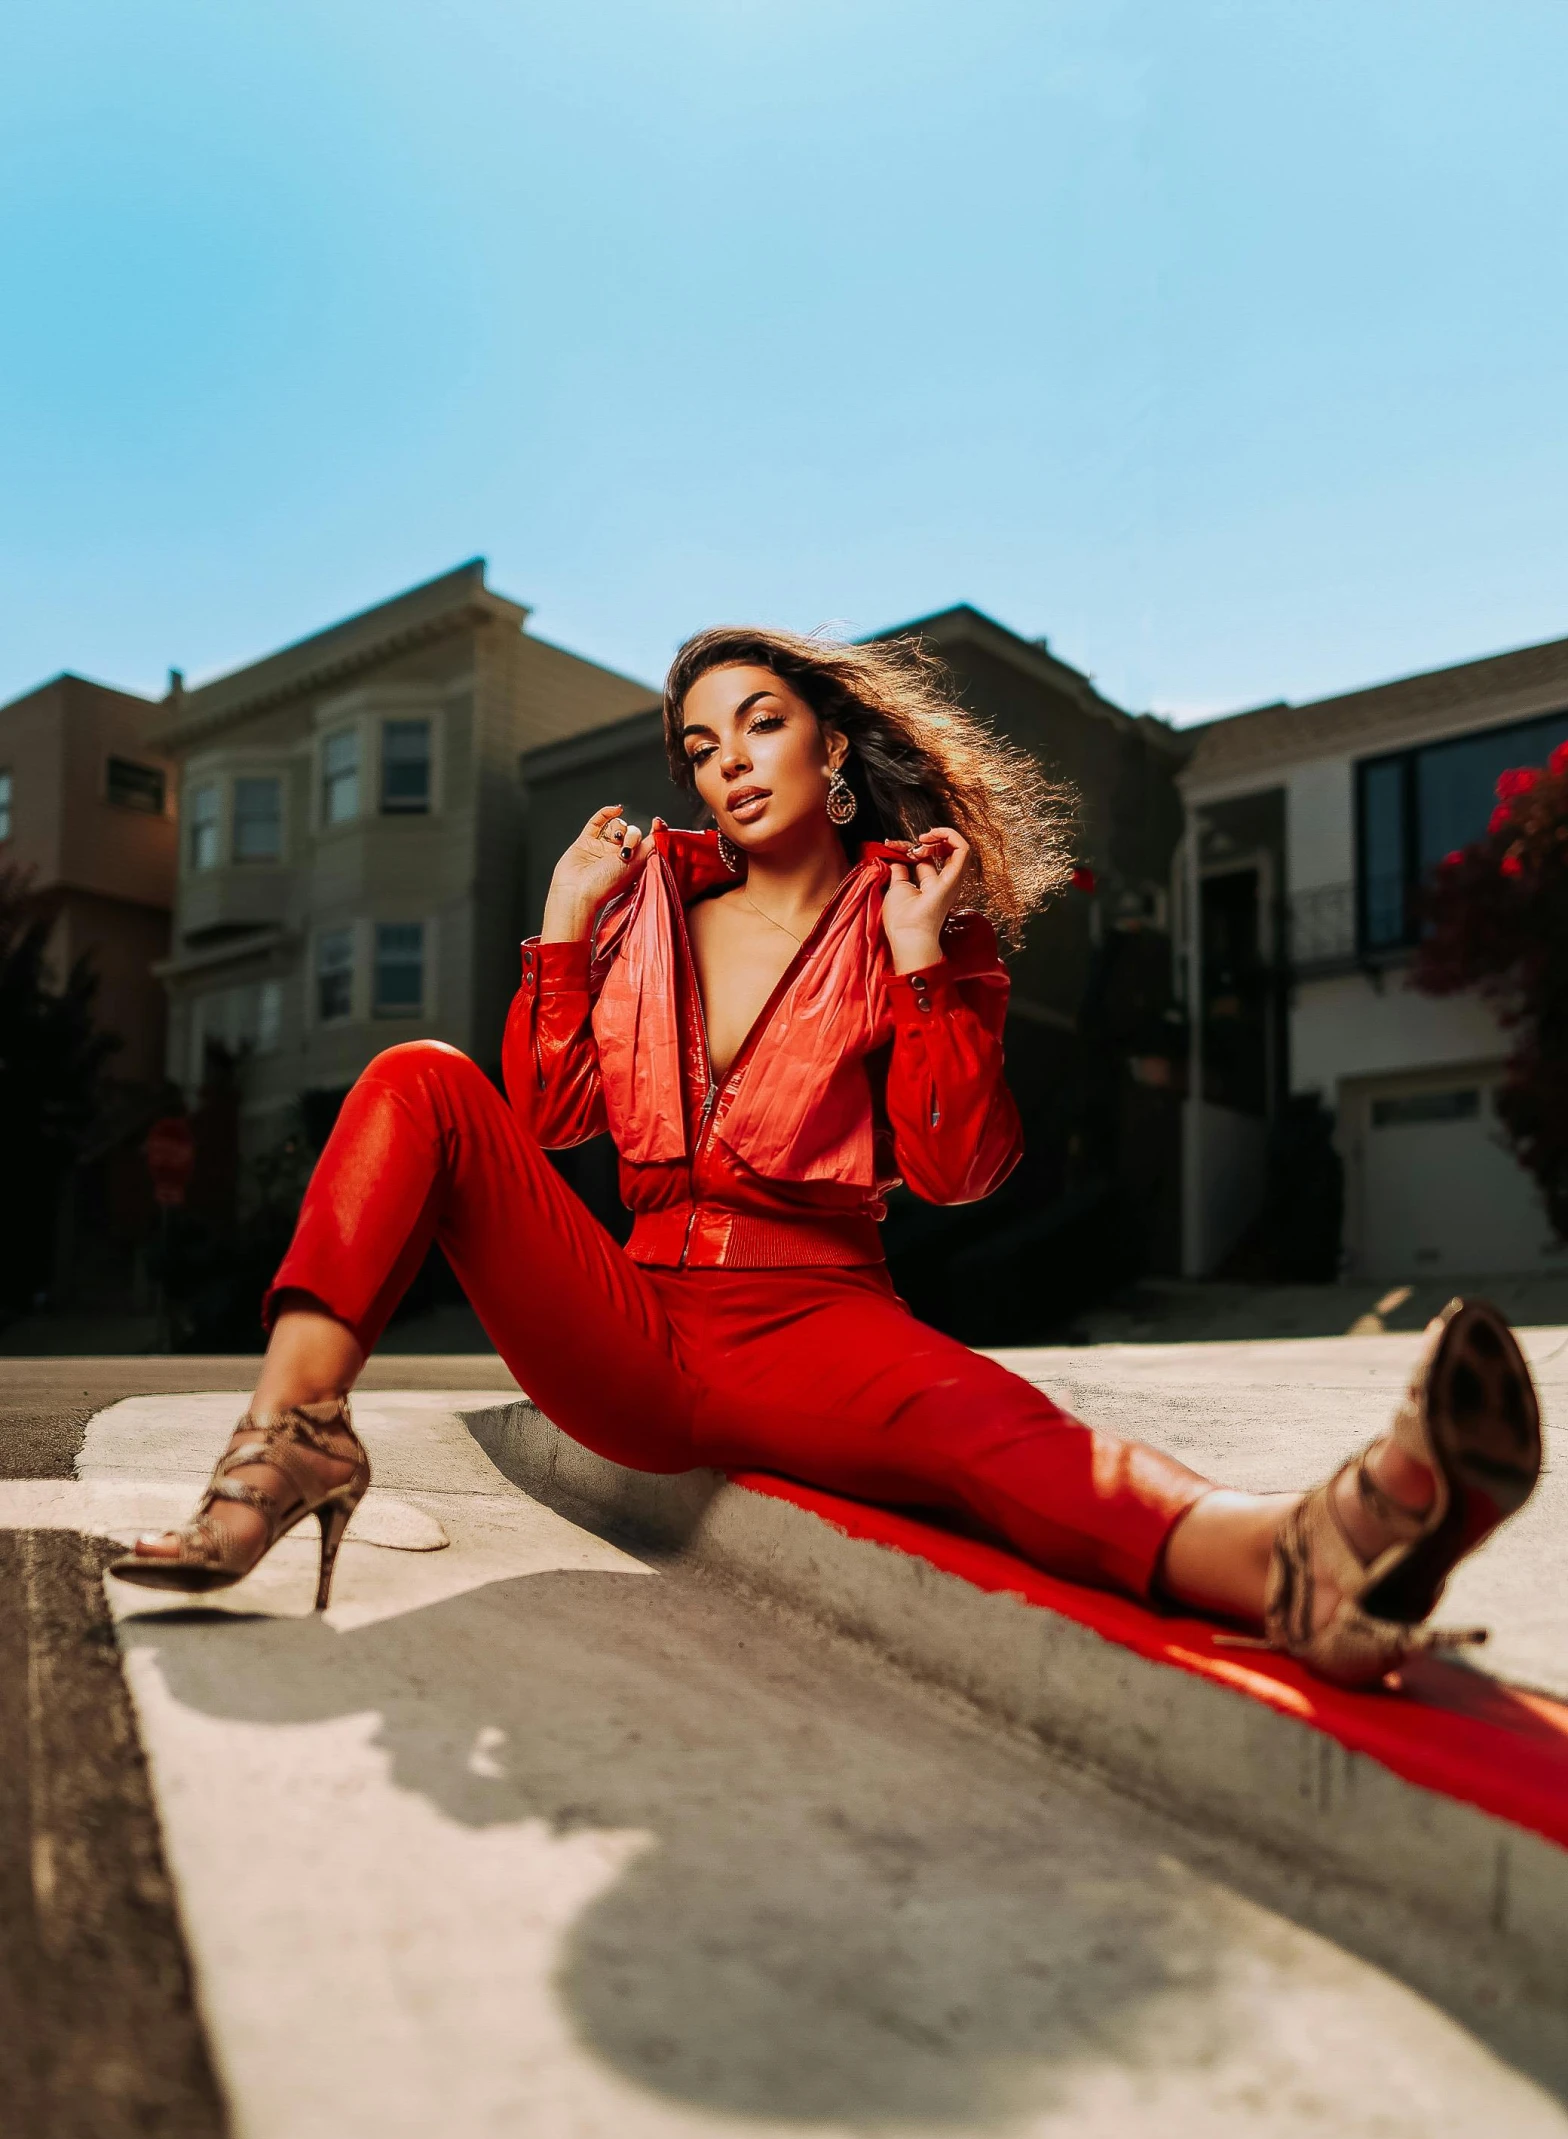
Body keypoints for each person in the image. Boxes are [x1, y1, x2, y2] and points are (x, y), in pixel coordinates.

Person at [114, 628, 1542, 1691]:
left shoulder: (914, 914)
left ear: (831, 747)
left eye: (760, 724)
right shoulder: (643, 905)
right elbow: (544, 1122)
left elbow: (962, 1163)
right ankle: (297, 1432)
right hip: (630, 1318)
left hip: (816, 1323)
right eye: (699, 744)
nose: (729, 760)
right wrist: (562, 927)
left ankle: (1313, 1548)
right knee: (416, 1076)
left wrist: (925, 969)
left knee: (1002, 1431)